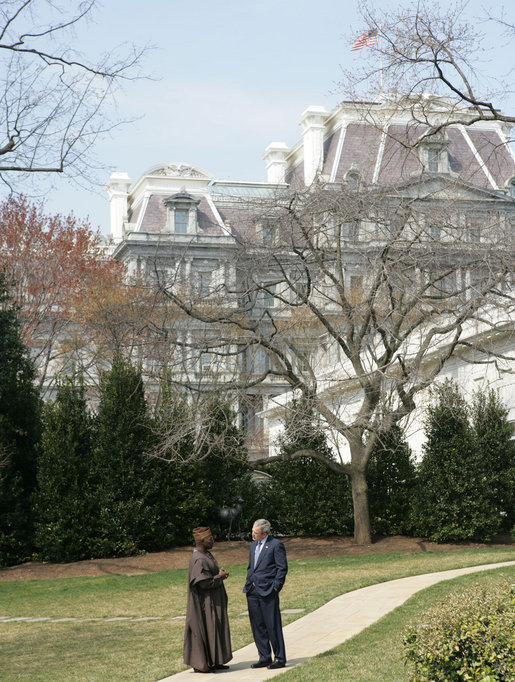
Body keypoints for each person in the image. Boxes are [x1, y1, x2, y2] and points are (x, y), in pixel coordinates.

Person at [183, 526, 232, 673]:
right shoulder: (198, 559)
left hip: (213, 601)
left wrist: (217, 574)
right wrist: (220, 577)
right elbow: (203, 583)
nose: (213, 540)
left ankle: (215, 661)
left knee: (214, 629)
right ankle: (204, 663)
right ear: (202, 541)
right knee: (206, 629)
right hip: (204, 604)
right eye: (210, 538)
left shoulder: (207, 555)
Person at [243, 518, 288, 670]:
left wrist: (276, 587)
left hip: (268, 591)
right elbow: (251, 567)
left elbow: (282, 568)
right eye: (252, 532)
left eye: (255, 533)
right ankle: (264, 657)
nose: (252, 535)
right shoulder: (253, 546)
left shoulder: (276, 545)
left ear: (264, 533)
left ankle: (280, 658)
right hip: (253, 591)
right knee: (258, 626)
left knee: (272, 626)